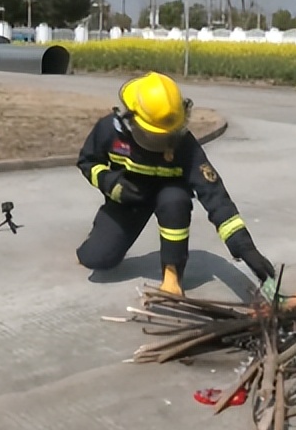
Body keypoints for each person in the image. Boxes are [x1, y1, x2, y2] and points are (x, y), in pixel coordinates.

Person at [75, 71, 278, 299]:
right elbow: (87, 162)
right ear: (131, 121)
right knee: (95, 259)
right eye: (156, 136)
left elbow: (214, 195)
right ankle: (100, 238)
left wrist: (244, 246)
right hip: (129, 197)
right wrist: (110, 182)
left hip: (169, 199)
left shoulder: (184, 144)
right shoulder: (109, 130)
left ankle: (172, 276)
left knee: (175, 200)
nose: (165, 142)